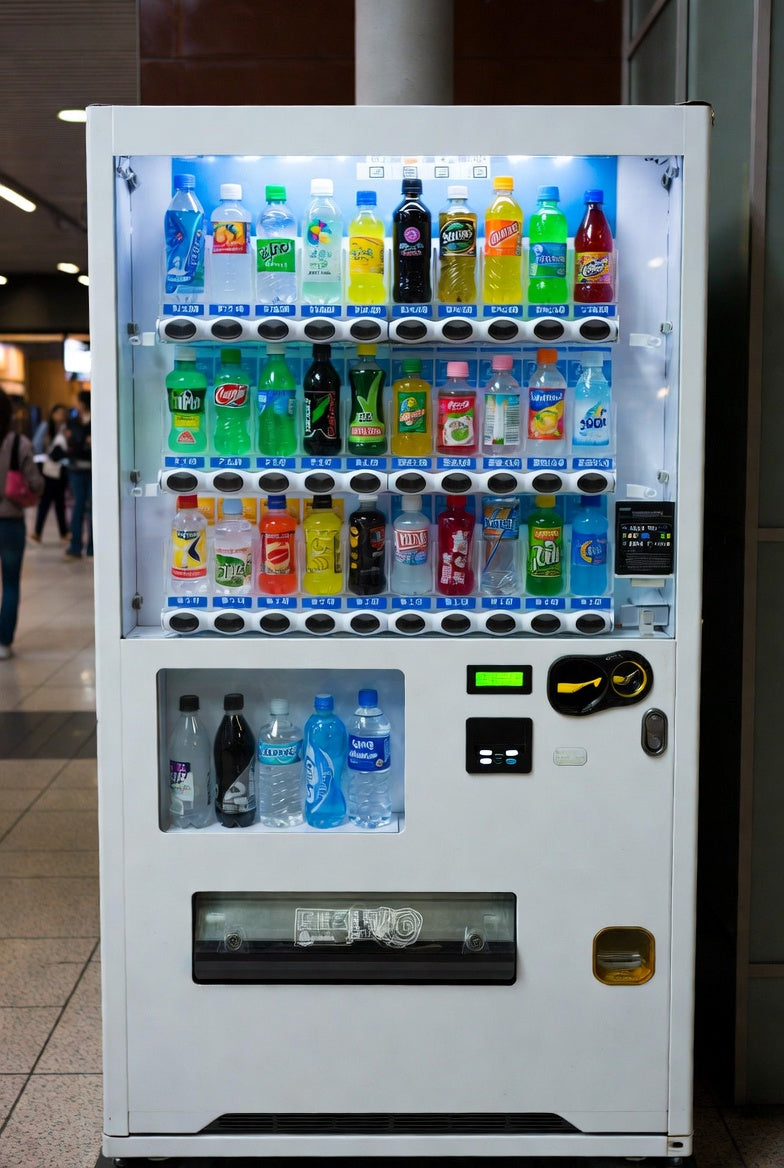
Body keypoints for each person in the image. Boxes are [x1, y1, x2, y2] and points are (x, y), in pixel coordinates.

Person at [0, 389, 44, 658]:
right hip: (11, 521)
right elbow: (35, 482)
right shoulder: (19, 443)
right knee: (11, 583)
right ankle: (3, 642)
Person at [30, 403, 69, 543]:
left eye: (63, 414)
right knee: (46, 501)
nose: (61, 416)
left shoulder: (65, 428)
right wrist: (46, 455)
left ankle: (64, 533)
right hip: (48, 469)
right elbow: (36, 444)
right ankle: (38, 532)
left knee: (60, 502)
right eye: (58, 413)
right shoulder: (46, 426)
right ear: (53, 414)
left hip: (62, 469)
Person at [64, 390, 92, 560]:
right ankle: (75, 545)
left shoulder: (96, 419)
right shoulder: (73, 422)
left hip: (91, 469)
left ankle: (92, 547)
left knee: (92, 509)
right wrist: (84, 441)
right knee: (78, 506)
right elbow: (71, 441)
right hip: (76, 468)